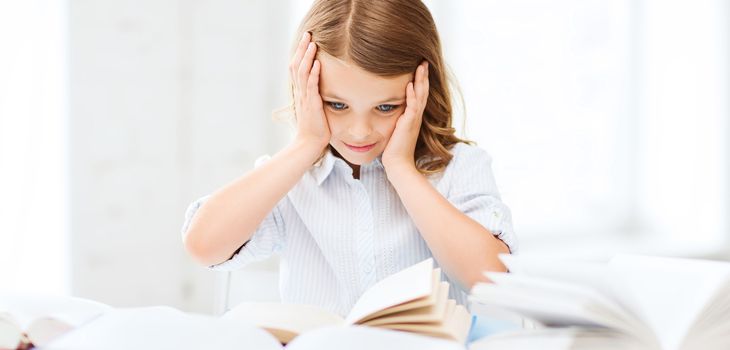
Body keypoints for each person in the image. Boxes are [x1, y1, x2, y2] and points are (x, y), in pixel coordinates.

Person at [181, 0, 518, 342]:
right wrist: (306, 144)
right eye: (337, 105)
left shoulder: (458, 167)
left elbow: (489, 277)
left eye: (386, 107)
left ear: (423, 91)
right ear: (306, 89)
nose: (359, 131)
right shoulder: (294, 178)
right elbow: (203, 245)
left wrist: (401, 169)